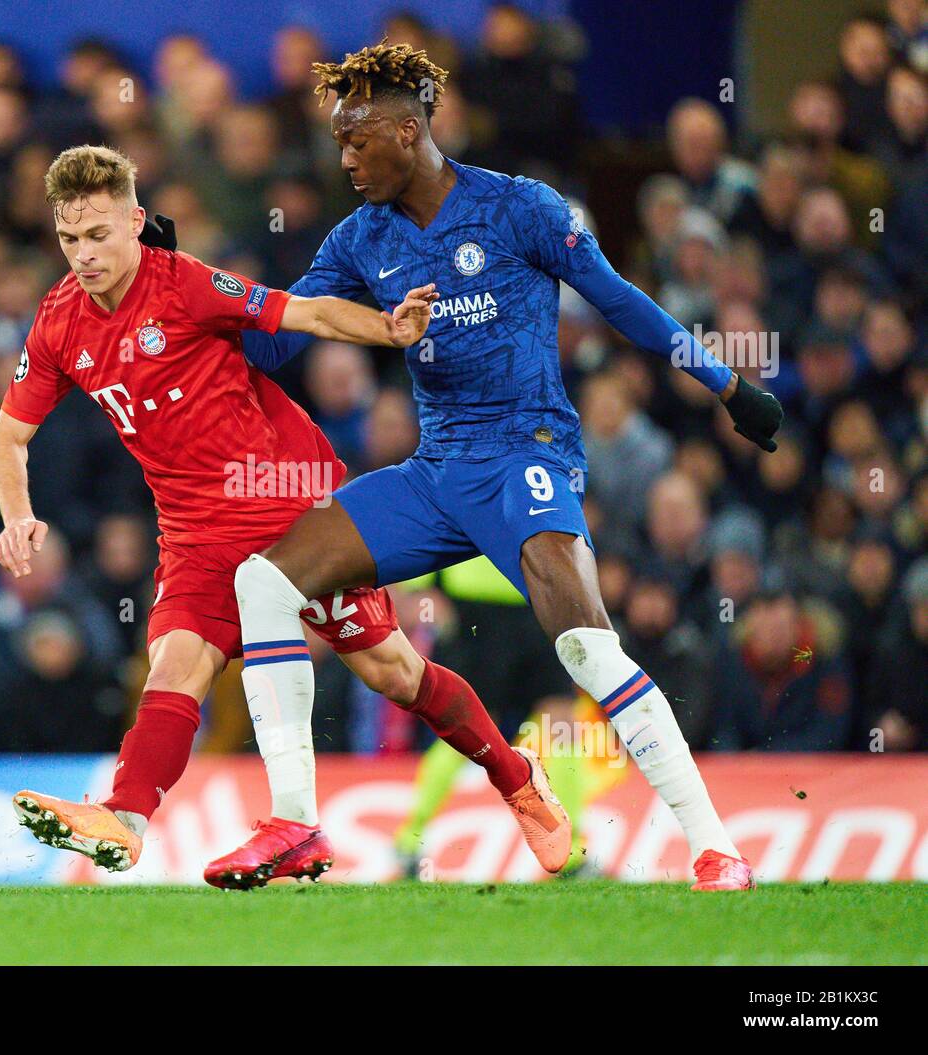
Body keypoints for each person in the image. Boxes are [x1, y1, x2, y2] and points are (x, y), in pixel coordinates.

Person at [232, 42, 785, 891]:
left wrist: (724, 382)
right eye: (339, 142)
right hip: (436, 472)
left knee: (586, 649)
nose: (344, 158)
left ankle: (715, 846)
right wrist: (189, 289)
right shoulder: (359, 239)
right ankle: (297, 825)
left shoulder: (519, 207)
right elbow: (267, 343)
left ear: (410, 130)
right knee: (263, 585)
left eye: (357, 138)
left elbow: (619, 299)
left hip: (525, 458)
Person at [0, 144, 570, 885]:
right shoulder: (59, 322)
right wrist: (16, 514)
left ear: (135, 222)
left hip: (289, 508)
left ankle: (518, 777)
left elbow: (304, 311)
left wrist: (388, 331)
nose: (84, 254)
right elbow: (8, 436)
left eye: (99, 234)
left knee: (393, 671)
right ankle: (124, 820)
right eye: (70, 238)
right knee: (173, 667)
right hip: (195, 534)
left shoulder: (189, 287)